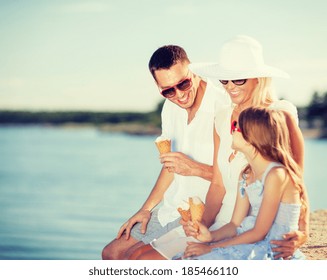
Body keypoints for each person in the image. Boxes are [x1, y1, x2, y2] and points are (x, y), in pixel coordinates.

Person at [131, 35, 309, 260]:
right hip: (222, 224)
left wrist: (302, 232)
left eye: (239, 80)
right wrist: (200, 229)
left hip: (254, 229)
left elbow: (297, 182)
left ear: (258, 77)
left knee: (148, 262)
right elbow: (217, 185)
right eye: (225, 81)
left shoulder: (279, 115)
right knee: (136, 260)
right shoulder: (222, 116)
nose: (230, 88)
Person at [101, 45, 228, 259]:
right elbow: (171, 166)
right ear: (158, 86)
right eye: (168, 90)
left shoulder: (222, 105)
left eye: (183, 83)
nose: (179, 95)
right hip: (172, 208)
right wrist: (146, 209)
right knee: (111, 254)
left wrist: (195, 168)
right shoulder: (169, 108)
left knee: (136, 260)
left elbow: (239, 176)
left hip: (208, 213)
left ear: (193, 72)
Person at [182, 107, 307, 260]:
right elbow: (234, 224)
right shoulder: (246, 174)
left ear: (253, 137)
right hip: (251, 242)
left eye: (236, 126)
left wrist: (210, 248)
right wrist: (210, 237)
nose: (232, 130)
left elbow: (259, 232)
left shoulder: (276, 175)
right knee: (184, 258)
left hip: (271, 250)